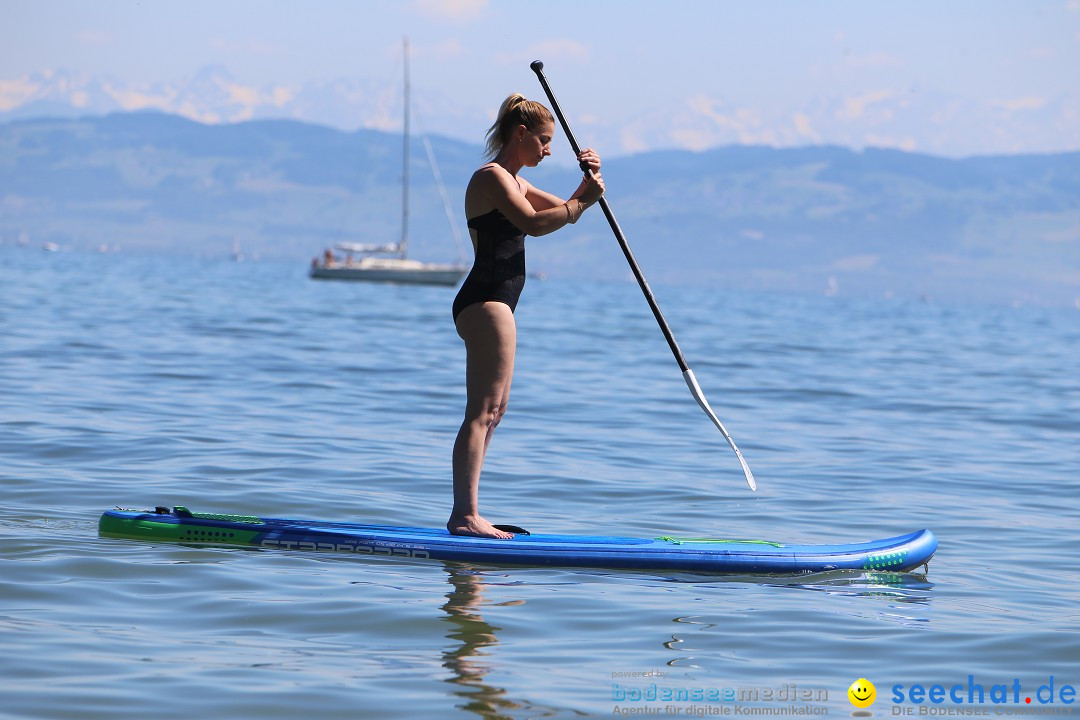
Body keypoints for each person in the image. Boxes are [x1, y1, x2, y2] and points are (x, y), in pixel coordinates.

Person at [448, 93, 605, 539]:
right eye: (544, 140)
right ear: (520, 135)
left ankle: (470, 510)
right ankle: (464, 516)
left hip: (497, 302)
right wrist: (581, 200)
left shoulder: (515, 182)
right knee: (481, 410)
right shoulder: (492, 178)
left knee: (495, 411)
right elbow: (537, 224)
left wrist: (588, 179)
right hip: (485, 301)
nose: (549, 149)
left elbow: (564, 210)